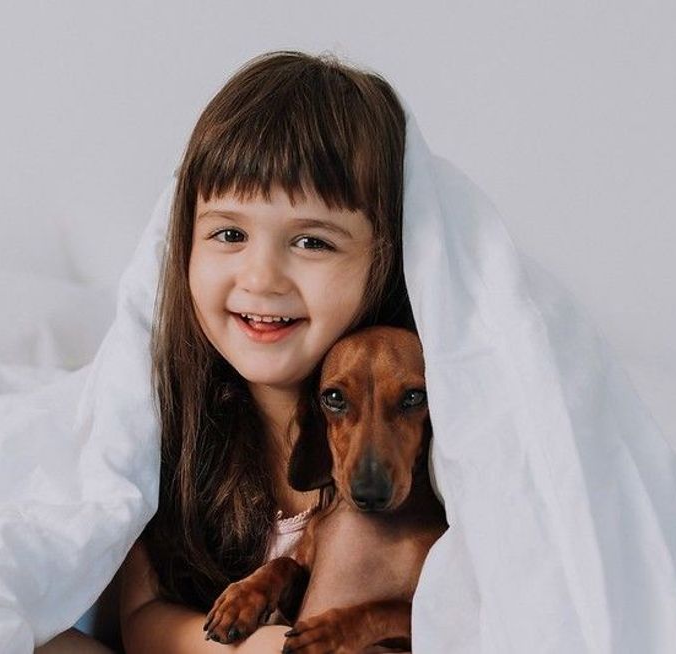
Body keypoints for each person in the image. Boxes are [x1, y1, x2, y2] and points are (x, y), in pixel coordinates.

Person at [117, 50, 416, 652]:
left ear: (387, 256)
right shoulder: (161, 427)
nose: (262, 277)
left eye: (311, 240)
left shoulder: (417, 437)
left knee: (360, 531)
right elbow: (139, 617)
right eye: (230, 233)